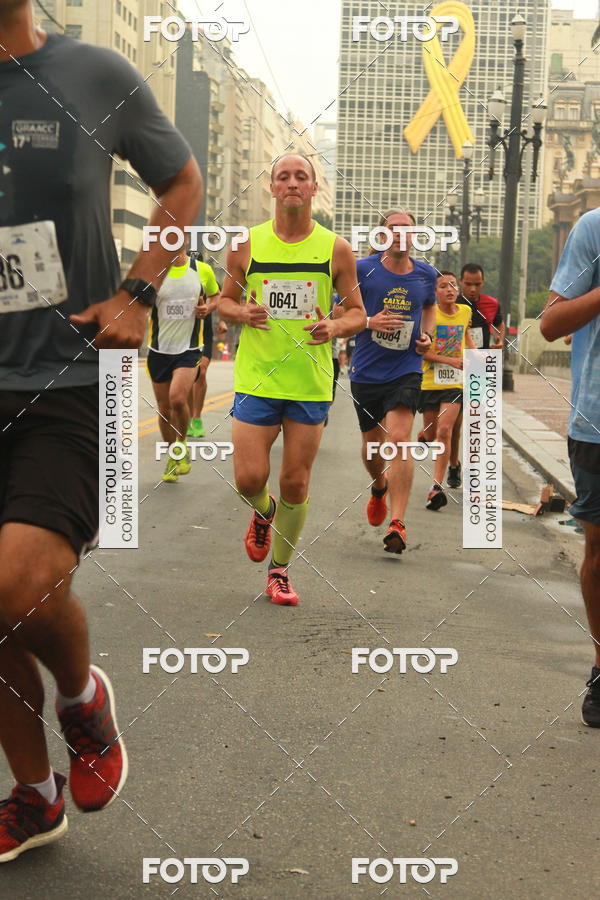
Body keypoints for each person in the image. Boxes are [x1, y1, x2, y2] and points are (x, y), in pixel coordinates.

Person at [0, 1, 202, 862]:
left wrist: (138, 288)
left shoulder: (97, 76)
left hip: (62, 378)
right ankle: (34, 795)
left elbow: (182, 182)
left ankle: (81, 698)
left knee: (16, 587)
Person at [218, 153, 366, 606]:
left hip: (310, 381)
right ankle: (264, 513)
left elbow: (358, 314)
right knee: (248, 478)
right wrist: (242, 311)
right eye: (283, 177)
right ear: (272, 189)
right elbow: (221, 303)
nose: (292, 184)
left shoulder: (335, 248)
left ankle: (279, 571)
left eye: (301, 177)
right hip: (258, 377)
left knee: (296, 483)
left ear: (314, 188)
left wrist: (334, 327)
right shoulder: (246, 243)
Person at [540, 208, 600, 728]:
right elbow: (551, 322)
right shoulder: (593, 229)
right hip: (597, 423)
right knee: (598, 549)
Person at [349, 209, 434, 554]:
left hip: (406, 368)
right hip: (367, 371)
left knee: (399, 439)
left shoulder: (427, 275)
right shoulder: (362, 270)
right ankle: (378, 486)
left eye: (407, 230)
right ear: (381, 234)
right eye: (393, 229)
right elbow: (341, 312)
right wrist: (370, 321)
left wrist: (426, 336)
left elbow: (429, 308)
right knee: (373, 448)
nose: (400, 235)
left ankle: (397, 522)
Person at [147, 247, 206, 482]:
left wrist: (207, 308)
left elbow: (219, 297)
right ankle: (173, 456)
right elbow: (137, 305)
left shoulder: (202, 270)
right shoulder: (153, 272)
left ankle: (182, 445)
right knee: (164, 409)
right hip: (158, 350)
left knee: (178, 398)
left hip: (189, 349)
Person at [443, 263, 505, 488]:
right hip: (457, 369)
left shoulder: (491, 303)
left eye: (477, 284)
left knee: (477, 422)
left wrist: (499, 341)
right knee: (455, 425)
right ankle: (453, 465)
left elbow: (498, 323)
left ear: (483, 283)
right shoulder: (453, 303)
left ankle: (474, 468)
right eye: (467, 284)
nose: (472, 289)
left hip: (481, 368)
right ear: (460, 282)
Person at [418, 271, 475, 510]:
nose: (449, 289)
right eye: (443, 286)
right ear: (435, 292)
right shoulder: (429, 315)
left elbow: (466, 338)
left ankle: (436, 487)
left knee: (445, 430)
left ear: (458, 290)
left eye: (453, 285)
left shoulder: (466, 312)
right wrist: (449, 360)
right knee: (431, 436)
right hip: (430, 381)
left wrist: (477, 354)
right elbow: (422, 351)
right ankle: (423, 436)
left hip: (454, 382)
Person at [186, 251, 221, 438]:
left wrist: (222, 322)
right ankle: (188, 417)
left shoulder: (209, 279)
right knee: (186, 378)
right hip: (185, 336)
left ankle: (197, 417)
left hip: (204, 335)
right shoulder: (180, 281)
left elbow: (221, 301)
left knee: (201, 374)